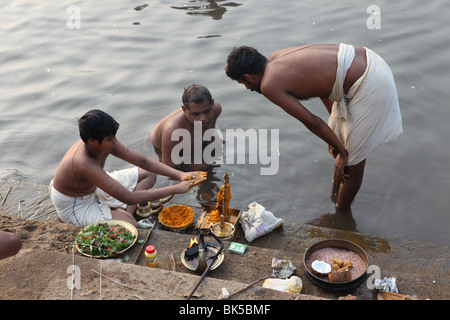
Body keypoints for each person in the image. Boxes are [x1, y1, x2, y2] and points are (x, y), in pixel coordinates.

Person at [226, 44, 402, 208]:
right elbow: (324, 87)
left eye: (244, 83)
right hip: (372, 60)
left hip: (369, 82)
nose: (248, 88)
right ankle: (335, 193)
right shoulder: (277, 56)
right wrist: (335, 134)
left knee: (352, 164)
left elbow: (313, 122)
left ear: (248, 77)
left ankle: (340, 219)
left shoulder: (268, 85)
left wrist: (342, 152)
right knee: (342, 148)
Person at [50, 109, 204, 228]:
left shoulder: (103, 143)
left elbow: (142, 161)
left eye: (114, 137)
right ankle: (125, 215)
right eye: (110, 140)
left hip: (93, 187)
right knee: (131, 227)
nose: (114, 142)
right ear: (91, 141)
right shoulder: (83, 162)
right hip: (75, 203)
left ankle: (123, 213)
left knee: (148, 174)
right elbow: (128, 198)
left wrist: (180, 175)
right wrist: (176, 189)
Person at [150, 84, 222, 171]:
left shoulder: (216, 109)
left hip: (194, 143)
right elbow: (169, 168)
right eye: (195, 114)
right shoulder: (173, 130)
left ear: (212, 103)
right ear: (184, 110)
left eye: (206, 111)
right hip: (164, 148)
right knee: (204, 166)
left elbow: (211, 134)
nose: (203, 118)